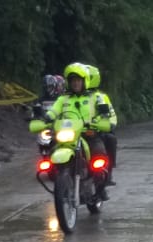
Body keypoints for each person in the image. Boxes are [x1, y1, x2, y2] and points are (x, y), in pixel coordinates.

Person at [44, 62, 119, 196]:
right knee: (51, 148)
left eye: (78, 80)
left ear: (85, 81)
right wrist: (46, 117)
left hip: (89, 134)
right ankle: (59, 176)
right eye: (73, 80)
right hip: (68, 135)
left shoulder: (98, 97)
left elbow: (110, 114)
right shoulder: (63, 98)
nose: (75, 83)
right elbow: (54, 111)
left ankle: (101, 181)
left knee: (99, 153)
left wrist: (104, 121)